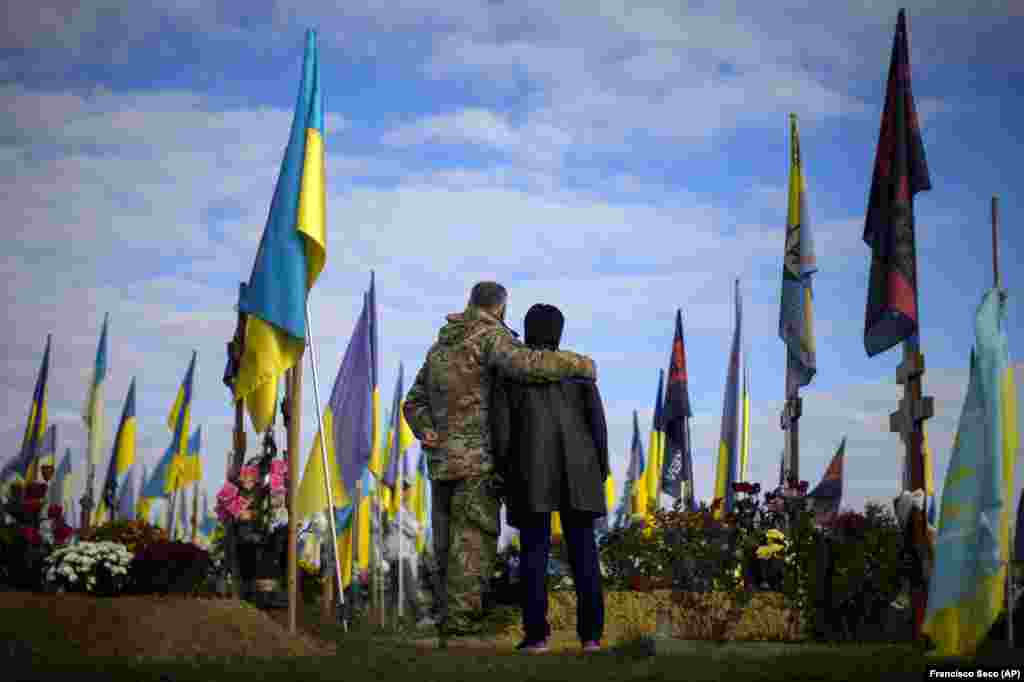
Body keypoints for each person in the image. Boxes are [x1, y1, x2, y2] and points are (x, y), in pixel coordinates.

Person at [403, 282, 596, 644]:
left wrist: (427, 430)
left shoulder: (440, 347)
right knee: (472, 544)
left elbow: (413, 402)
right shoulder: (490, 337)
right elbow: (528, 364)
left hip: (442, 461)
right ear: (501, 308)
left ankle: (447, 625)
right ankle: (462, 630)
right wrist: (580, 363)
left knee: (446, 546)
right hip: (477, 461)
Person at [492, 303, 609, 654]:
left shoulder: (510, 373)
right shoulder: (580, 371)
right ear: (560, 332)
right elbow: (597, 426)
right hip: (581, 471)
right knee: (585, 554)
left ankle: (536, 637)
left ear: (528, 331)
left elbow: (501, 431)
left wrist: (503, 471)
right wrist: (599, 470)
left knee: (534, 555)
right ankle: (591, 638)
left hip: (530, 472)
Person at [384, 481, 430, 626]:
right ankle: (420, 617)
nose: (409, 494)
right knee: (410, 585)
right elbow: (414, 530)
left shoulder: (392, 508)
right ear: (400, 492)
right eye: (407, 490)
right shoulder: (398, 510)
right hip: (399, 553)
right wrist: (418, 525)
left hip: (395, 552)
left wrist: (416, 525)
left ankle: (389, 619)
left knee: (395, 589)